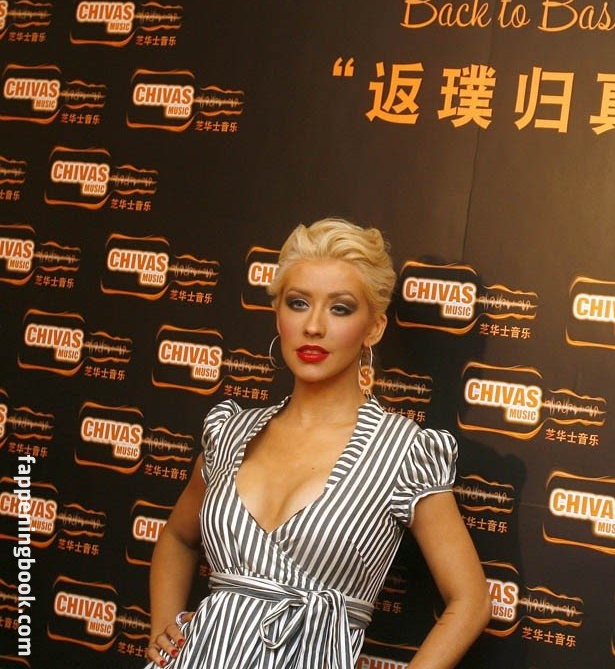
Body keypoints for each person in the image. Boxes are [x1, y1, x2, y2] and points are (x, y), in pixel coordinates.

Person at [145, 218, 490, 668]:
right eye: (298, 303)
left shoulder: (402, 451)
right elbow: (177, 536)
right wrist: (164, 628)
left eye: (340, 308)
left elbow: (470, 601)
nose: (313, 326)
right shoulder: (230, 433)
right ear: (278, 315)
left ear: (374, 328)